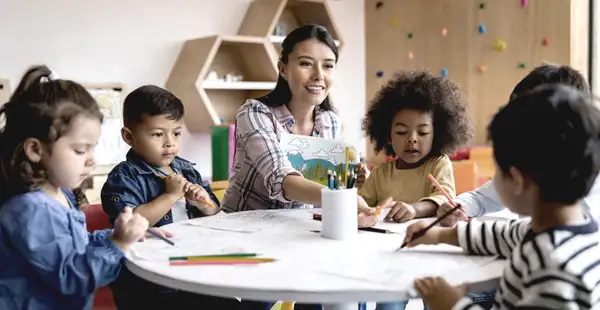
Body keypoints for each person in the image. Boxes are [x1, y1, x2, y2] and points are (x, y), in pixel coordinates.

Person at [223, 24, 384, 310]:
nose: (318, 76)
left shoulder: (330, 121)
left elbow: (328, 183)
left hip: (301, 232)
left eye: (328, 66)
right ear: (283, 67)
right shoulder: (255, 112)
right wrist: (341, 199)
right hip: (247, 233)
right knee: (261, 299)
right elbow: (281, 178)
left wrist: (353, 181)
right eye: (306, 63)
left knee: (337, 287)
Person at [408, 84, 600, 310]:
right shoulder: (568, 229)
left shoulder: (552, 271)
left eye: (496, 170)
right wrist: (440, 234)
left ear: (517, 180)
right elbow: (506, 235)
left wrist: (455, 305)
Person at [0, 65, 150, 309]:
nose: (92, 160)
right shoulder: (31, 209)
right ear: (36, 150)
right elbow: (70, 279)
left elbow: (75, 249)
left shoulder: (59, 194)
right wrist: (118, 245)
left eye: (93, 148)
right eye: (81, 150)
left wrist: (116, 235)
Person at [101, 85, 238, 309]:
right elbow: (131, 223)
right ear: (129, 136)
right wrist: (171, 195)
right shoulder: (123, 177)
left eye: (176, 133)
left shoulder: (187, 170)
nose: (169, 142)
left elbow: (215, 214)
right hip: (150, 283)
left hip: (194, 272)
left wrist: (204, 204)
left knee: (231, 304)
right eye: (157, 134)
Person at [437, 64, 598, 225]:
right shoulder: (529, 164)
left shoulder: (584, 186)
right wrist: (460, 206)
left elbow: (541, 231)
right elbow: (482, 198)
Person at [359, 70, 474, 224]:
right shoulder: (380, 173)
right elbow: (362, 205)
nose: (412, 139)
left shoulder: (438, 163)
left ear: (437, 134)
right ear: (388, 136)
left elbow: (443, 198)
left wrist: (413, 209)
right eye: (401, 132)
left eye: (423, 132)